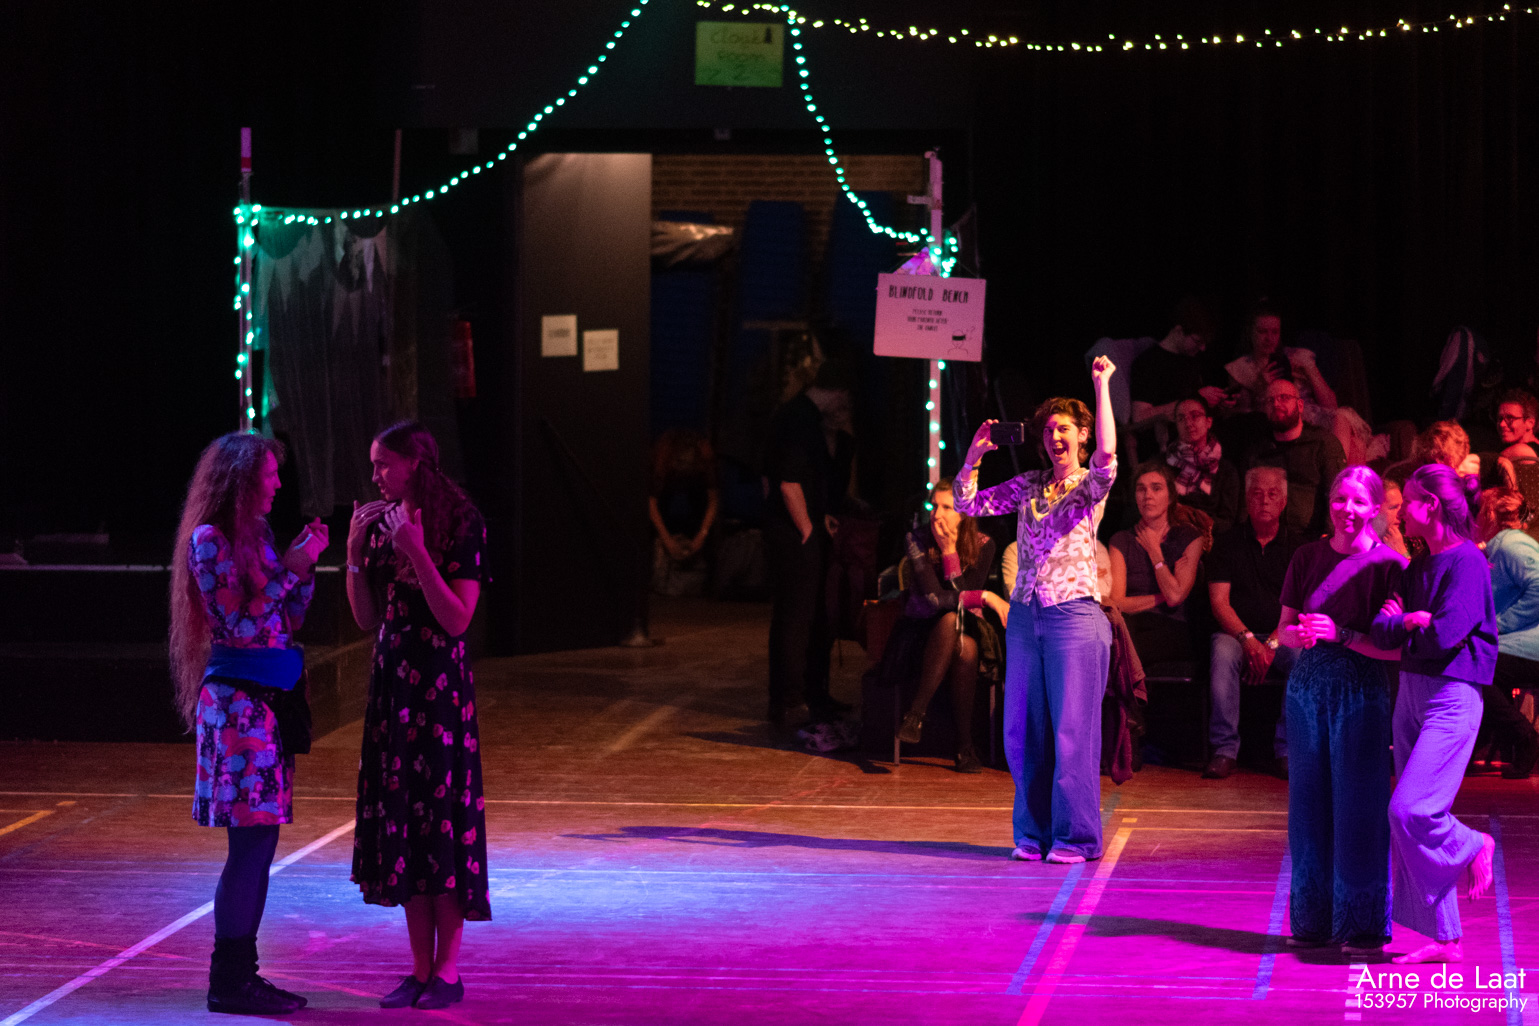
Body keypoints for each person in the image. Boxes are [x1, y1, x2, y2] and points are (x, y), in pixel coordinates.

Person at [169, 433, 328, 1015]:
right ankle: (230, 979)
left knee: (261, 843)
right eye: (269, 474)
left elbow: (287, 616)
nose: (278, 483)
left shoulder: (255, 535)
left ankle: (241, 975)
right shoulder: (209, 541)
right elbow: (237, 624)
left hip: (267, 703)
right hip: (239, 708)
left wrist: (303, 569)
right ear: (239, 480)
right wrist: (290, 569)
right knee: (250, 845)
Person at [346, 421, 489, 1010]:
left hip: (438, 694)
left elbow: (457, 619)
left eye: (384, 463)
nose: (376, 475)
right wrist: (354, 557)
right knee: (405, 824)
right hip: (395, 691)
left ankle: (448, 971)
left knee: (442, 829)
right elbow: (365, 618)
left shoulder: (461, 520)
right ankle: (420, 968)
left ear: (413, 463)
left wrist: (417, 552)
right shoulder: (386, 521)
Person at [956, 356, 1118, 864]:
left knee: (1072, 732)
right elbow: (967, 504)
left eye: (1064, 429)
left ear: (1082, 436)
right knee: (1023, 731)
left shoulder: (1089, 486)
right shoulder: (1029, 484)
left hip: (1073, 617)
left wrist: (1101, 385)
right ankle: (1033, 833)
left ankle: (1076, 838)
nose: (1054, 437)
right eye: (1048, 430)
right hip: (1027, 617)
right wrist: (974, 454)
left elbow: (1109, 455)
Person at [1371, 464, 1499, 965]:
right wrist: (1409, 620)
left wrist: (1408, 626)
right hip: (1410, 692)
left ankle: (1473, 843)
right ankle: (1447, 938)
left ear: (1431, 506)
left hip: (1451, 696)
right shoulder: (1417, 567)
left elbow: (1443, 636)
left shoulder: (1467, 563)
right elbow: (1382, 630)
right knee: (1411, 821)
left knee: (1409, 810)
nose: (1399, 512)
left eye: (1407, 502)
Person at [1276, 466, 1406, 956]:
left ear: (1374, 508)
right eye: (1339, 499)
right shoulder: (1307, 556)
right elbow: (1283, 630)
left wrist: (1343, 634)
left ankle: (1362, 922)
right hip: (1308, 690)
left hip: (1361, 694)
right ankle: (1311, 920)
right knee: (1308, 806)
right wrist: (1299, 635)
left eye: (1357, 501)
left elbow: (1396, 648)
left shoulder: (1390, 566)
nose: (1346, 510)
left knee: (1359, 806)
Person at [882, 479, 1007, 773]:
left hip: (966, 626)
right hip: (920, 631)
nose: (937, 515)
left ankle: (916, 715)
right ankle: (964, 746)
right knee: (959, 638)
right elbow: (935, 599)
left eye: (947, 507)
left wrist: (950, 551)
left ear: (964, 513)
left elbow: (964, 598)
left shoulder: (984, 544)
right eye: (934, 506)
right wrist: (987, 597)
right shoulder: (916, 539)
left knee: (962, 640)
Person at [762, 363, 856, 727]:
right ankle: (789, 700)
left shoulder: (802, 417)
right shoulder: (798, 419)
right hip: (794, 531)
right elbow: (787, 482)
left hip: (802, 526)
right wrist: (805, 528)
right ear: (838, 392)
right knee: (796, 617)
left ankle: (806, 696)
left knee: (809, 616)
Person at [1203, 466, 1302, 780]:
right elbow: (1219, 603)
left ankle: (1287, 750)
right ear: (1246, 499)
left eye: (1272, 494)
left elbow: (1298, 607)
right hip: (1235, 634)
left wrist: (1270, 644)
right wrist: (1248, 640)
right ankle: (1224, 749)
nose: (1264, 500)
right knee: (1222, 653)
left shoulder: (1298, 548)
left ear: (1283, 501)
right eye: (1257, 494)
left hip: (1281, 634)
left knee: (1303, 657)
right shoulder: (1227, 543)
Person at [1226, 301, 1371, 462]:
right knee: (1355, 445)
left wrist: (1311, 370)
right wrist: (1262, 387)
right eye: (1262, 332)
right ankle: (1337, 473)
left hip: (1314, 419)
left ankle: (1337, 473)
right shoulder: (1240, 369)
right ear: (1250, 333)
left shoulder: (1298, 357)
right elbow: (1243, 421)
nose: (1269, 338)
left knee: (1346, 427)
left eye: (1275, 332)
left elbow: (1331, 405)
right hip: (1280, 424)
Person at [1108, 461, 1206, 667]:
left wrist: (1155, 552)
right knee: (1113, 639)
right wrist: (1163, 596)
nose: (1147, 495)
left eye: (1156, 488)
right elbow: (1117, 603)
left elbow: (1175, 597)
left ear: (1170, 497)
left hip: (1173, 626)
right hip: (1131, 624)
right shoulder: (1120, 540)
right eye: (1141, 489)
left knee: (1121, 649)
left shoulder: (1189, 537)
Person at [1476, 488, 1539, 779]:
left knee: (1479, 669)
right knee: (1480, 664)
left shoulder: (1511, 544)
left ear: (1489, 514)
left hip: (1530, 646)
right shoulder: (1501, 545)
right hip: (1521, 643)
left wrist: (1500, 625)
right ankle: (1493, 743)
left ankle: (1523, 737)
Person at [1244, 378, 1347, 538]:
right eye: (1270, 400)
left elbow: (1337, 494)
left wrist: (1329, 538)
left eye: (1284, 398)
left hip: (1313, 539)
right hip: (1268, 540)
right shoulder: (1257, 450)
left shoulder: (1323, 444)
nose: (1276, 404)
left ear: (1300, 405)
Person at [1130, 297, 1231, 426]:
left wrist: (1216, 404)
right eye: (1197, 341)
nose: (1202, 348)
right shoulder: (1148, 363)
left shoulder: (1191, 359)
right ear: (1179, 331)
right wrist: (1196, 399)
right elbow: (1140, 417)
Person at [647, 429, 720, 596]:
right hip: (662, 490)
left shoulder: (705, 459)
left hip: (696, 494)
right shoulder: (663, 458)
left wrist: (701, 535)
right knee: (656, 532)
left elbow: (713, 500)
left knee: (702, 526)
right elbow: (651, 502)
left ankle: (705, 583)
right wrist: (666, 539)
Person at [1165, 395, 1242, 534]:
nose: (1188, 423)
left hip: (1211, 536)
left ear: (1208, 422)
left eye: (1195, 416)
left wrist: (1202, 522)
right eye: (1181, 418)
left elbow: (1228, 519)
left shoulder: (1225, 470)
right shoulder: (1165, 464)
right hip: (1171, 532)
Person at [1380, 479, 1411, 559]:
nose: (1400, 513)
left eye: (1401, 506)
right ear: (1375, 510)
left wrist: (1402, 552)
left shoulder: (1409, 539)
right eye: (1394, 507)